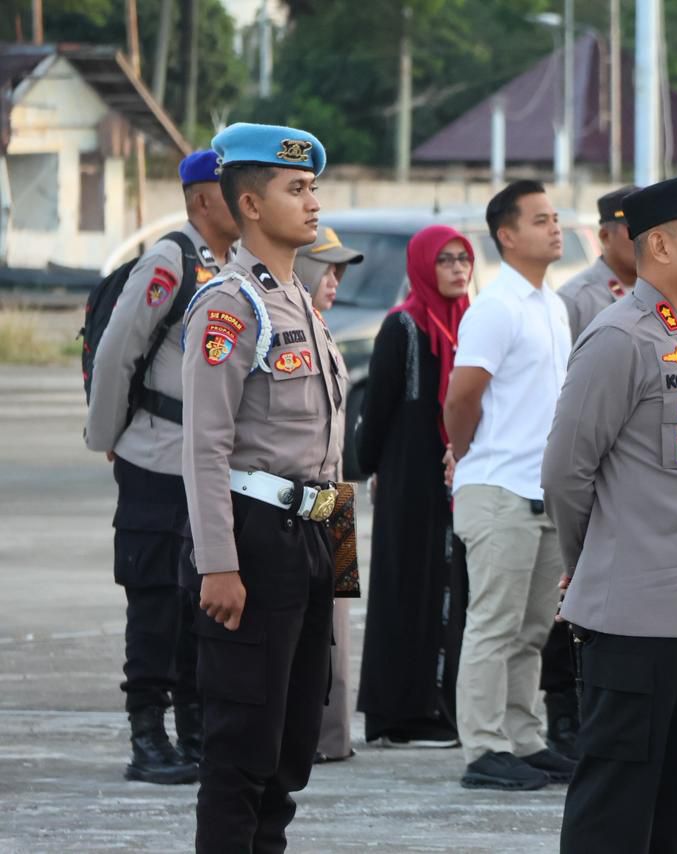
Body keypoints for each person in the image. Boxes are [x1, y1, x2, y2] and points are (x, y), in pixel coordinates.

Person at [541, 171, 677, 853]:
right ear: (658, 246)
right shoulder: (620, 338)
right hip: (637, 614)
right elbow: (567, 475)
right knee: (617, 803)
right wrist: (597, 565)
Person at [181, 123, 346, 850]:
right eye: (296, 190)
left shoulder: (303, 306)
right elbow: (205, 445)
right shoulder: (230, 304)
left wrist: (338, 568)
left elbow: (327, 453)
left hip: (311, 536)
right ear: (249, 204)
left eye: (313, 188)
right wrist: (218, 562)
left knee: (291, 741)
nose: (313, 204)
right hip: (255, 539)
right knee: (242, 739)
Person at [85, 149, 237, 785]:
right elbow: (118, 351)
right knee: (154, 600)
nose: (245, 199)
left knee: (200, 603)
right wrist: (109, 436)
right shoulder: (170, 260)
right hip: (154, 457)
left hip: (206, 467)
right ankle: (148, 735)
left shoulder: (234, 268)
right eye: (232, 189)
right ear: (202, 199)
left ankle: (195, 729)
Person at [443, 179, 575, 791]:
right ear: (507, 235)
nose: (555, 228)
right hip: (497, 488)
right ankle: (484, 747)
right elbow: (462, 395)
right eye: (541, 219)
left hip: (542, 491)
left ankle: (523, 738)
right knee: (493, 625)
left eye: (555, 218)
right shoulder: (494, 306)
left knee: (532, 629)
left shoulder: (550, 305)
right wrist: (467, 457)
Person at [355, 225, 471, 750]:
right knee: (408, 589)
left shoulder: (472, 321)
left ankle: (444, 707)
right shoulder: (402, 327)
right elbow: (375, 410)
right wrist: (370, 466)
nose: (455, 269)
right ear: (423, 266)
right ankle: (401, 714)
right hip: (409, 480)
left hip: (460, 476)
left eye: (463, 259)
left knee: (453, 592)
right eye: (444, 260)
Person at [539, 184, 637, 758]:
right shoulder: (576, 297)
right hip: (583, 461)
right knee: (565, 597)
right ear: (604, 236)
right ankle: (562, 714)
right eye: (629, 231)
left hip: (625, 474)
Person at [293, 224, 364, 765]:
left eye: (340, 270)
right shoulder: (291, 331)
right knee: (308, 626)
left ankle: (331, 736)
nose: (334, 280)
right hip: (304, 499)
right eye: (326, 267)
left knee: (338, 622)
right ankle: (309, 736)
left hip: (336, 499)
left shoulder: (324, 332)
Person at [557, 185, 640, 339]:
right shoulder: (575, 300)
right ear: (605, 236)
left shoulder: (663, 291)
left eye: (649, 229)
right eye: (634, 230)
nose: (644, 239)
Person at [295, 224, 364, 312]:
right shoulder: (280, 322)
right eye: (325, 272)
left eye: (335, 272)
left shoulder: (314, 321)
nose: (334, 283)